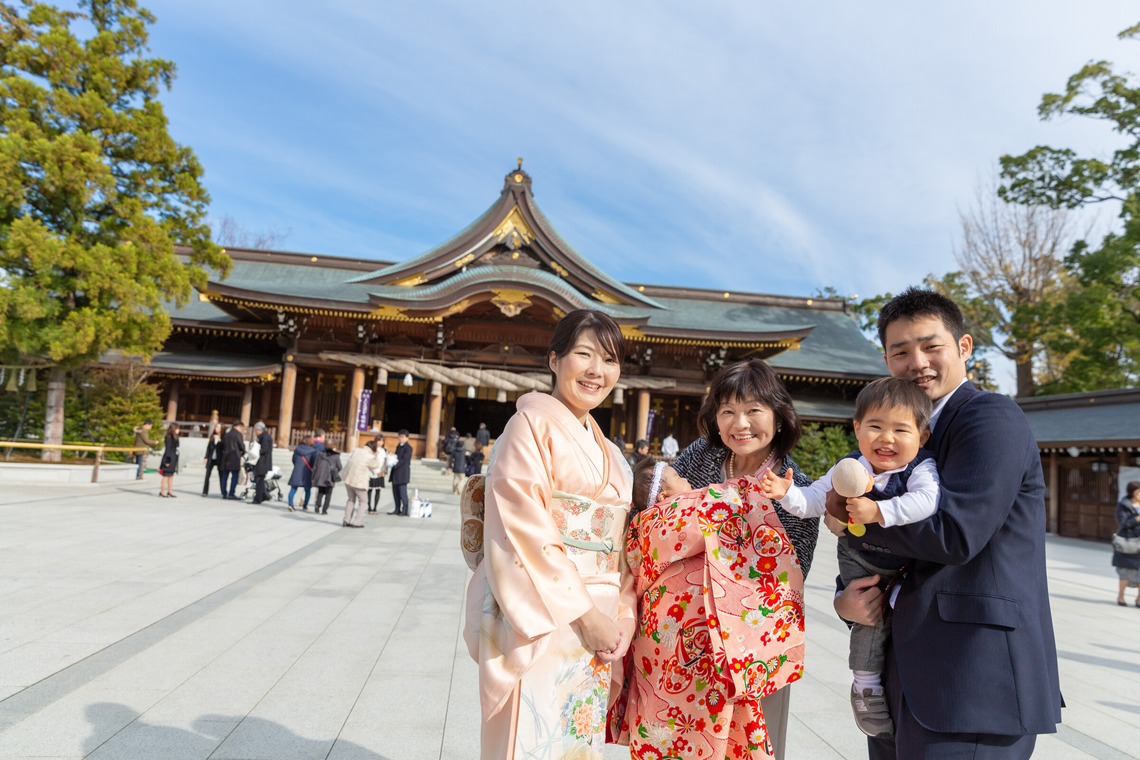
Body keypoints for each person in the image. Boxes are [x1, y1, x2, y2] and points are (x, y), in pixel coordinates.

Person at [833, 287, 1061, 758]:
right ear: (886, 360)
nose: (917, 362)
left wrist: (854, 517)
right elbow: (878, 546)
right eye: (901, 351)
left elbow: (957, 535)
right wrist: (846, 598)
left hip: (974, 672)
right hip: (906, 669)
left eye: (931, 345)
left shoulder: (989, 417)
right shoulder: (902, 433)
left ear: (964, 347)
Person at [463, 308, 634, 759]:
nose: (598, 371)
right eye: (584, 354)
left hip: (600, 613)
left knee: (575, 744)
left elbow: (621, 547)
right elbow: (523, 526)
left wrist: (621, 615)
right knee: (530, 740)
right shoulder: (527, 427)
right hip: (544, 610)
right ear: (554, 360)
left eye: (611, 360)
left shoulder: (613, 454)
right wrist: (584, 614)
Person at [761, 376, 937, 737]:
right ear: (857, 429)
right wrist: (785, 492)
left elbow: (927, 501)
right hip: (860, 562)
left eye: (900, 430)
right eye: (875, 426)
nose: (886, 438)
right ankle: (865, 684)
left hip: (905, 566)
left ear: (922, 435)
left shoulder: (920, 469)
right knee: (869, 621)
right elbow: (811, 503)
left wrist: (880, 513)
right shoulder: (849, 467)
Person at [669, 358, 819, 760]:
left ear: (779, 416)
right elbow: (660, 517)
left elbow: (794, 572)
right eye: (728, 411)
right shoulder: (700, 456)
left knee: (752, 745)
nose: (741, 423)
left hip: (756, 640)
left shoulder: (794, 487)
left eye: (754, 410)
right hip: (689, 629)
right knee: (685, 739)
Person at [612, 457, 806, 758]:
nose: (686, 479)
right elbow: (730, 502)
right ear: (664, 496)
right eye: (676, 475)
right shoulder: (690, 507)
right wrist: (752, 486)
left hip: (655, 635)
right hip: (701, 634)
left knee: (659, 702)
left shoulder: (640, 526)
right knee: (709, 711)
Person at [341, 437, 382, 528]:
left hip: (348, 478)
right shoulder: (370, 456)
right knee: (363, 501)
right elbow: (376, 465)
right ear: (373, 449)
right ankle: (357, 522)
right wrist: (376, 456)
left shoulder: (356, 450)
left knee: (351, 499)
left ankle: (346, 520)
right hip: (359, 481)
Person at [1114, 481, 1140, 606]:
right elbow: (1123, 523)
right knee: (1125, 572)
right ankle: (1121, 596)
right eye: (1138, 491)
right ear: (1132, 492)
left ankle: (1139, 599)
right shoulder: (1123, 505)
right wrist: (1137, 518)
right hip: (1128, 543)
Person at [287, 433, 317, 512]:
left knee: (293, 488)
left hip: (297, 470)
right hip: (307, 472)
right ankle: (305, 506)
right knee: (307, 490)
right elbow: (313, 463)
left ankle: (290, 504)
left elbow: (293, 460)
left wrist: (297, 465)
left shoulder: (297, 449)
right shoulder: (313, 451)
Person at [311, 443, 341, 515]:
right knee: (328, 495)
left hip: (320, 477)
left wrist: (313, 477)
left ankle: (317, 505)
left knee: (320, 493)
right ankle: (324, 510)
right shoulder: (336, 456)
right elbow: (340, 467)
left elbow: (315, 466)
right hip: (329, 478)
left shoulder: (319, 455)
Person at [388, 430, 412, 516]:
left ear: (407, 438)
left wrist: (395, 464)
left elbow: (404, 460)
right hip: (395, 472)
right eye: (399, 436)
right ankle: (397, 509)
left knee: (402, 492)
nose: (400, 438)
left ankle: (404, 510)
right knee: (395, 492)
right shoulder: (399, 446)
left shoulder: (408, 448)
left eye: (402, 437)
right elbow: (397, 457)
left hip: (402, 473)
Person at [220, 421, 245, 500]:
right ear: (238, 426)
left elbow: (222, 445)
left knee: (224, 476)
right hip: (235, 457)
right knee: (234, 476)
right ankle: (231, 493)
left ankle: (224, 493)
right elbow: (241, 446)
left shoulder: (226, 434)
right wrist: (243, 452)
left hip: (225, 457)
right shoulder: (238, 434)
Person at [250, 421, 273, 504]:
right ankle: (264, 495)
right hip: (262, 462)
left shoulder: (264, 438)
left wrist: (256, 450)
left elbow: (264, 450)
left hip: (262, 462)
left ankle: (258, 498)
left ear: (260, 430)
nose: (255, 432)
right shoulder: (263, 436)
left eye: (256, 430)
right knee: (259, 480)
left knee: (259, 480)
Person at [201, 423, 224, 497]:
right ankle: (205, 491)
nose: (216, 428)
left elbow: (224, 447)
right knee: (207, 475)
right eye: (215, 427)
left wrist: (220, 441)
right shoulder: (212, 436)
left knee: (221, 476)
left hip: (219, 459)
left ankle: (223, 491)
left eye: (217, 427)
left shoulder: (223, 437)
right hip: (211, 458)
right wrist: (206, 457)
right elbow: (208, 448)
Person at [157, 423, 180, 497]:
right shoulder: (169, 437)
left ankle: (170, 491)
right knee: (166, 476)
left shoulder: (174, 437)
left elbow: (176, 445)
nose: (178, 430)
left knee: (171, 476)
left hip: (173, 458)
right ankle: (162, 491)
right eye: (177, 428)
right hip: (168, 458)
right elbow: (167, 450)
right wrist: (167, 461)